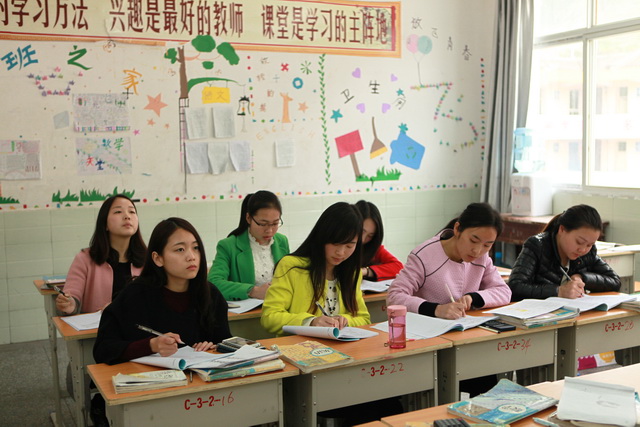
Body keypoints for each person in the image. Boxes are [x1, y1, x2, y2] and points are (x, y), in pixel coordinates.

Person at [94, 217, 231, 364]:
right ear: (158, 258)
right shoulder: (135, 295)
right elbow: (103, 350)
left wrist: (213, 347)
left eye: (196, 248)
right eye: (180, 249)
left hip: (198, 375)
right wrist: (151, 345)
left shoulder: (210, 294)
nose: (191, 257)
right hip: (147, 376)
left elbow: (226, 342)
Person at [261, 202, 370, 336]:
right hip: (300, 345)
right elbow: (270, 317)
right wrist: (310, 322)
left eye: (349, 246)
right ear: (322, 237)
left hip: (339, 345)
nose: (341, 252)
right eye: (335, 243)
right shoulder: (291, 266)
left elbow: (364, 319)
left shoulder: (352, 273)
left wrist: (345, 320)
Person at [387, 202, 511, 319]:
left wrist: (473, 298)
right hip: (428, 327)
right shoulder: (424, 255)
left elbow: (504, 292)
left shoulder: (482, 258)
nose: (477, 251)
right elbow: (394, 296)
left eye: (487, 245)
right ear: (457, 229)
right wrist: (436, 309)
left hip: (465, 325)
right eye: (473, 241)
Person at [56, 194, 146, 315]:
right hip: (97, 326)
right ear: (105, 224)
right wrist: (69, 303)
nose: (127, 216)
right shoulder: (84, 258)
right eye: (118, 211)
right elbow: (73, 296)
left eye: (132, 212)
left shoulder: (148, 260)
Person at [508, 204, 621, 301]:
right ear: (562, 230)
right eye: (579, 242)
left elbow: (615, 281)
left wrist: (581, 277)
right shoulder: (537, 245)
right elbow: (515, 287)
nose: (583, 249)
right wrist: (559, 291)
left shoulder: (588, 253)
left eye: (589, 244)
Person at [208, 190, 289, 301]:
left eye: (275, 223)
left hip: (279, 307)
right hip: (248, 310)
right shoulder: (228, 246)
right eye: (263, 224)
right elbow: (213, 283)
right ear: (248, 218)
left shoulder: (281, 241)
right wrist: (253, 291)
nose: (270, 230)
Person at [355, 200, 404, 281]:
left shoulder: (373, 248)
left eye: (370, 236)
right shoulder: (341, 245)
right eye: (362, 231)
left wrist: (366, 271)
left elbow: (398, 267)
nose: (363, 239)